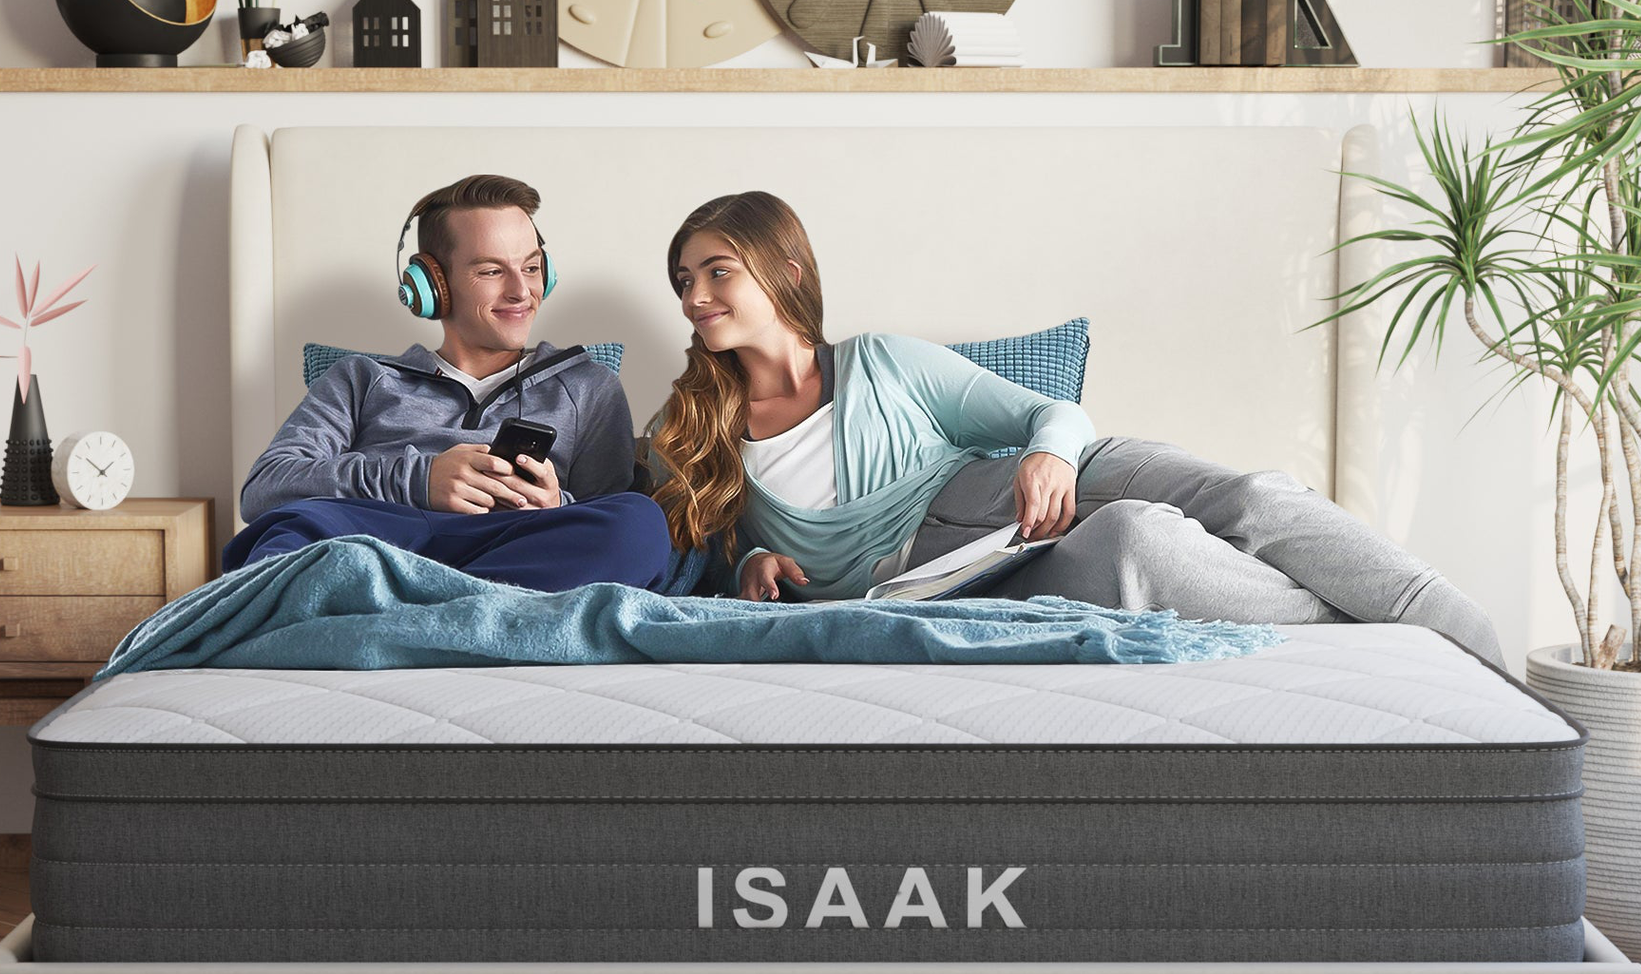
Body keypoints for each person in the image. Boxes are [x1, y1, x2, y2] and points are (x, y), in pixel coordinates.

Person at [649, 191, 1502, 663]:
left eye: (718, 271)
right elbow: (691, 559)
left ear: (786, 270)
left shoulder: (883, 363)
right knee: (1138, 548)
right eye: (685, 279)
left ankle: (1458, 632)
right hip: (956, 582)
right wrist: (748, 559)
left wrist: (1051, 456)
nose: (695, 297)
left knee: (1247, 498)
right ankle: (1370, 642)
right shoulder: (688, 426)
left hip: (1017, 480)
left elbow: (1043, 412)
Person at [226, 173, 675, 593]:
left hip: (514, 548)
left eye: (532, 267)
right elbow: (266, 489)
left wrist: (556, 503)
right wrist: (420, 480)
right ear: (432, 285)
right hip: (379, 543)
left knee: (639, 522)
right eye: (491, 271)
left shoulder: (587, 386)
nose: (522, 291)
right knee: (291, 532)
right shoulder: (360, 378)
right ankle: (462, 613)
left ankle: (392, 611)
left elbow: (603, 510)